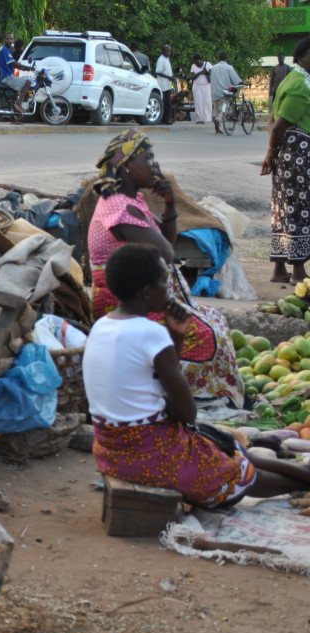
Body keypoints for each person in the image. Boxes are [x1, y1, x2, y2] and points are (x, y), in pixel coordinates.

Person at [84, 243, 310, 506]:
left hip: (110, 451)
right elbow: (187, 412)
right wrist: (172, 338)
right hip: (149, 454)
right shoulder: (151, 333)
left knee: (222, 444)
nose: (169, 290)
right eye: (163, 282)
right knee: (236, 476)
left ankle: (303, 473)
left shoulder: (102, 326)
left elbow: (149, 387)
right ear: (147, 292)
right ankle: (303, 480)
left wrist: (176, 337)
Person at [87, 128, 244, 407]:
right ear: (125, 165)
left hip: (142, 294)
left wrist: (170, 205)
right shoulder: (119, 209)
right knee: (208, 334)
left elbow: (166, 241)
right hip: (123, 300)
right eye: (148, 158)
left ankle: (203, 393)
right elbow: (168, 252)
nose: (155, 166)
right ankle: (193, 398)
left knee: (215, 320)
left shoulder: (132, 200)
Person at [261, 37, 310, 284]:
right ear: (301, 58)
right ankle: (298, 271)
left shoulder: (290, 79)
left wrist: (272, 151)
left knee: (282, 208)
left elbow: (271, 121)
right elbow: (279, 125)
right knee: (298, 209)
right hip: (299, 155)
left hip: (286, 152)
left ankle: (280, 269)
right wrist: (271, 151)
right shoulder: (301, 84)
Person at [209, 52, 247, 135]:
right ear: (226, 58)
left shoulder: (214, 67)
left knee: (217, 110)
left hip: (214, 92)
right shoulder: (229, 67)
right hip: (225, 92)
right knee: (224, 110)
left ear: (219, 58)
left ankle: (218, 129)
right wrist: (244, 83)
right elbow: (237, 80)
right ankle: (217, 120)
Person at [0, 32, 31, 114]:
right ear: (4, 40)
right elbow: (14, 63)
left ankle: (15, 113)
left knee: (17, 90)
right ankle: (18, 104)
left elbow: (13, 64)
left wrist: (24, 69)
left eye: (11, 39)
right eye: (8, 39)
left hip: (7, 75)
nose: (10, 40)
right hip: (7, 77)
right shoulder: (5, 50)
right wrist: (28, 67)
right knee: (28, 83)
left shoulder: (6, 50)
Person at [268, 53, 292, 124]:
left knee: (284, 103)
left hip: (284, 89)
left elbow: (290, 79)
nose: (280, 59)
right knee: (275, 104)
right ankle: (275, 118)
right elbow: (272, 79)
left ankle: (283, 118)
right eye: (279, 58)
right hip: (275, 89)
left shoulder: (288, 68)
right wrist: (270, 89)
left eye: (281, 58)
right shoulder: (274, 68)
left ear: (284, 58)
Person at [189, 53, 212, 125]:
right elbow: (192, 77)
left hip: (206, 86)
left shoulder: (207, 64)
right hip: (197, 86)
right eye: (195, 62)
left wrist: (206, 72)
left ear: (200, 60)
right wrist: (200, 72)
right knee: (198, 103)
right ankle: (199, 119)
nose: (196, 63)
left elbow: (213, 73)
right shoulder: (193, 66)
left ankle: (208, 119)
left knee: (207, 102)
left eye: (197, 61)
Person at [154, 44, 174, 125]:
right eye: (167, 51)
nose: (168, 53)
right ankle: (162, 119)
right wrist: (169, 77)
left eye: (169, 51)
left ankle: (166, 119)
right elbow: (158, 72)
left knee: (168, 103)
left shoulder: (167, 59)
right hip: (162, 85)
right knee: (164, 103)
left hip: (167, 85)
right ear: (163, 51)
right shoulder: (161, 59)